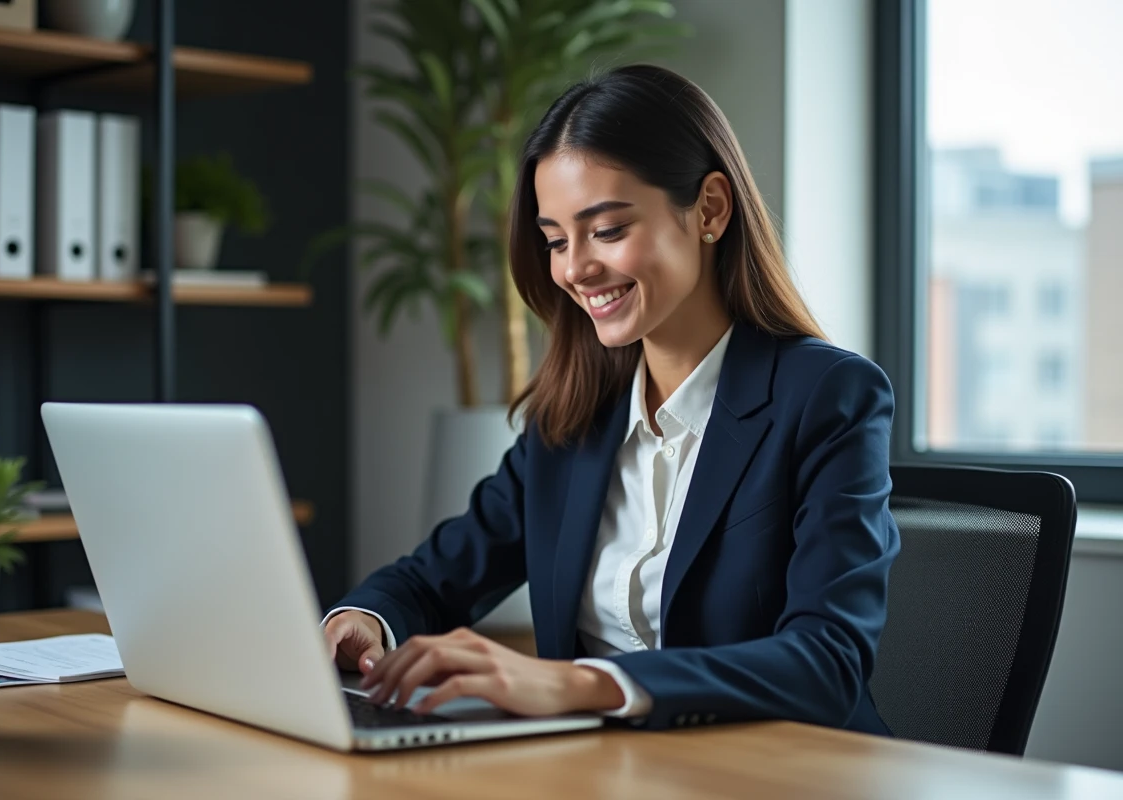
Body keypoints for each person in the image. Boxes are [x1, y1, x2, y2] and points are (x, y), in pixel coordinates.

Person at [323, 63, 900, 734]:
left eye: (607, 230)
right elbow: (429, 581)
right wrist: (359, 621)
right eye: (555, 241)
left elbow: (826, 662)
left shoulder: (827, 397)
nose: (574, 269)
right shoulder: (574, 417)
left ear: (709, 208)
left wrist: (580, 684)